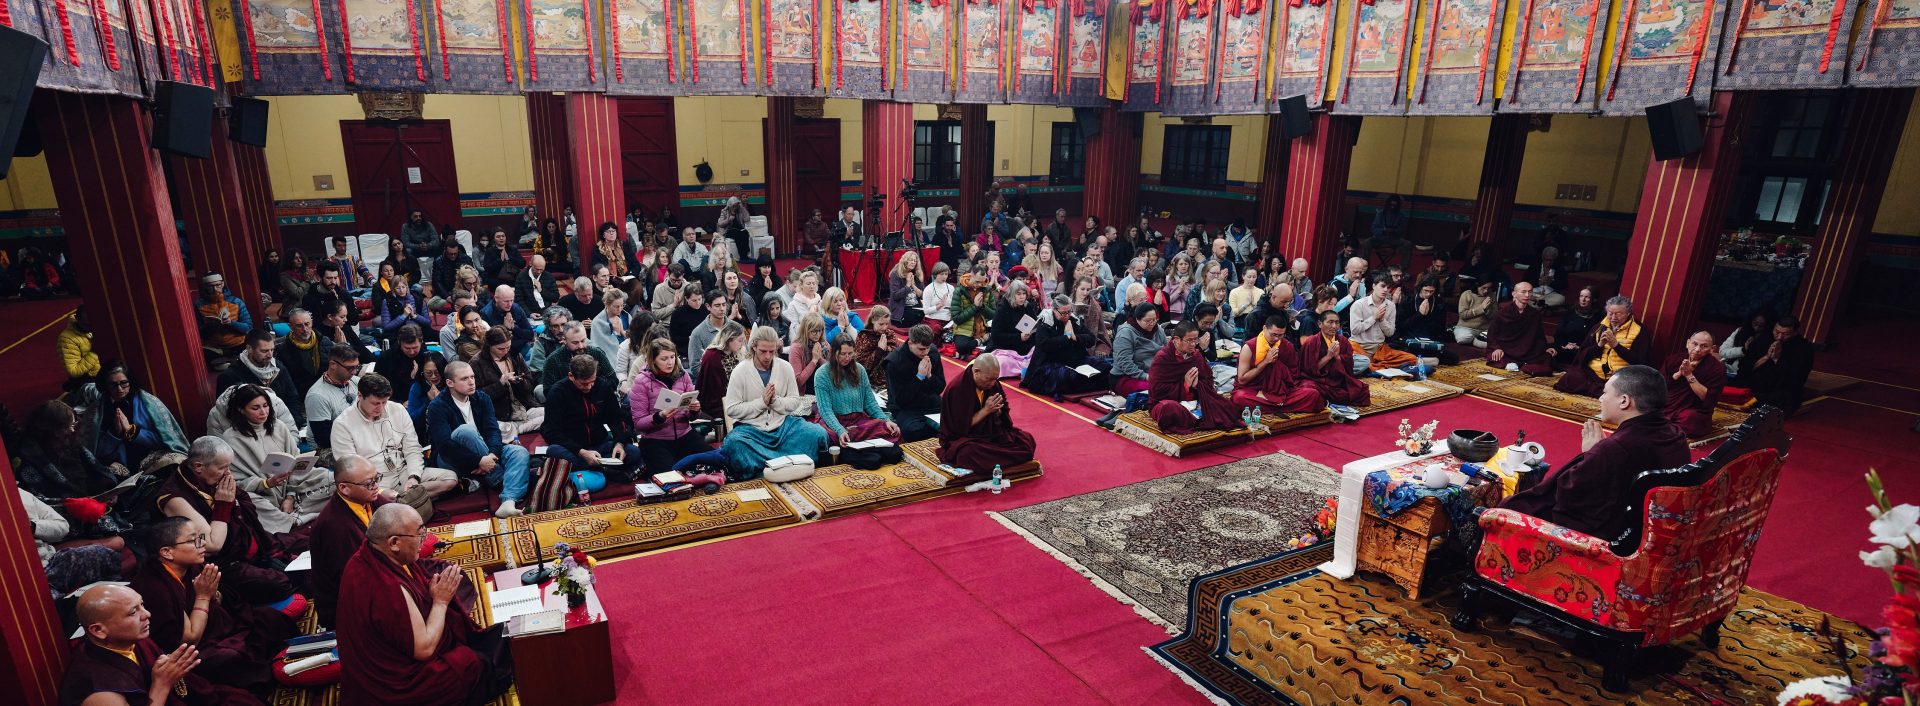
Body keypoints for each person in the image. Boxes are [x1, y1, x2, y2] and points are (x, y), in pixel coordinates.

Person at [337, 504, 514, 706]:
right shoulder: (386, 587)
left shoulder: (362, 557)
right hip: (393, 687)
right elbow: (425, 649)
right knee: (474, 664)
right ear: (394, 542)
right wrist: (440, 601)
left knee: (497, 635)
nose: (425, 540)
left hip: (374, 665)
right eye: (420, 534)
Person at [1501, 365, 1689, 540]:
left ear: (1624, 401)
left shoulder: (1613, 449)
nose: (1600, 398)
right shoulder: (1677, 435)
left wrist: (1590, 454)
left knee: (1509, 509)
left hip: (1614, 536)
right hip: (1651, 527)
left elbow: (1567, 497)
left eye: (1606, 392)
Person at [128, 516, 294, 695]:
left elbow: (224, 601)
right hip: (195, 650)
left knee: (269, 618)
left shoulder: (190, 566)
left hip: (218, 629)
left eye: (201, 538)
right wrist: (203, 596)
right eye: (194, 540)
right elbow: (189, 640)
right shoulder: (154, 587)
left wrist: (216, 594)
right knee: (226, 661)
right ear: (167, 552)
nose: (202, 545)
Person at [155, 437, 302, 609]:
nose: (228, 473)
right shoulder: (174, 497)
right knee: (280, 582)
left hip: (249, 546)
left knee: (306, 543)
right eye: (222, 468)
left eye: (229, 466)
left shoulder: (213, 479)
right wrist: (224, 505)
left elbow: (245, 508)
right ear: (198, 467)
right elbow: (212, 545)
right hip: (222, 565)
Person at [62, 583, 262, 706]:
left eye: (142, 605)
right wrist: (162, 684)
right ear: (98, 630)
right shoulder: (100, 691)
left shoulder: (126, 640)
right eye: (133, 613)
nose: (147, 614)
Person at [425, 362, 531, 518]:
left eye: (472, 377)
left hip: (486, 454)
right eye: (464, 378)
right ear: (450, 383)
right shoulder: (437, 406)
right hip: (452, 459)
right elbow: (445, 446)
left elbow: (492, 430)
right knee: (466, 431)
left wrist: (492, 455)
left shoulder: (482, 398)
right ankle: (498, 478)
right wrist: (478, 461)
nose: (471, 382)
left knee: (519, 452)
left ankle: (508, 501)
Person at [333, 374, 461, 501]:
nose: (381, 408)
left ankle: (401, 501)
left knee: (450, 479)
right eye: (375, 403)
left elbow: (412, 448)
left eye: (384, 402)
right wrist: (380, 491)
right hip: (373, 484)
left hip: (403, 472)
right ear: (360, 396)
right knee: (367, 495)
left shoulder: (397, 409)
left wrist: (414, 476)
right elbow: (349, 472)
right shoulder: (343, 424)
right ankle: (408, 500)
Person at [218, 386, 328, 534]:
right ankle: (291, 521)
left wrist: (290, 496)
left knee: (330, 477)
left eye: (265, 406)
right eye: (255, 408)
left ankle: (294, 510)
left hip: (293, 488)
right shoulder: (231, 439)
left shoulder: (279, 426)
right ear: (241, 409)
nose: (263, 412)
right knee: (247, 502)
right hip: (263, 495)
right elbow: (235, 482)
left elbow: (296, 463)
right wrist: (266, 483)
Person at [722, 326, 830, 473]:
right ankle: (781, 467)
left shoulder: (785, 367)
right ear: (753, 347)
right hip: (751, 430)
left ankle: (775, 465)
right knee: (733, 445)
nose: (767, 356)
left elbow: (794, 400)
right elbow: (731, 409)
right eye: (763, 351)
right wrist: (761, 403)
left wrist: (775, 402)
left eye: (772, 351)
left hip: (783, 426)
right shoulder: (740, 371)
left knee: (818, 434)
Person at [74, 363, 189, 468]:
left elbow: (163, 440)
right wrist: (115, 433)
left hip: (150, 455)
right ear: (105, 385)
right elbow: (96, 451)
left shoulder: (147, 403)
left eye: (124, 383)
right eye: (113, 385)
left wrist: (131, 431)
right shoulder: (98, 410)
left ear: (130, 382)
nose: (119, 389)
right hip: (119, 463)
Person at [938, 354, 1037, 471]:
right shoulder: (958, 389)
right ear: (976, 372)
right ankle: (1003, 459)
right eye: (989, 379)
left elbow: (1004, 418)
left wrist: (998, 410)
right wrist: (986, 410)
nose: (992, 383)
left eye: (995, 379)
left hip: (991, 434)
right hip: (967, 438)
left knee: (1027, 440)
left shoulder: (993, 383)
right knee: (967, 454)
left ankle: (994, 462)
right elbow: (958, 428)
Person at [1144, 321, 1242, 434]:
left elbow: (1208, 380)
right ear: (1176, 339)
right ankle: (1197, 420)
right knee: (1168, 409)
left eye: (1196, 340)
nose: (1193, 344)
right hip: (1168, 402)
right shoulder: (1163, 358)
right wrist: (1185, 385)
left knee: (1227, 406)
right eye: (1189, 340)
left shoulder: (1196, 355)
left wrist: (1197, 386)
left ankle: (1196, 419)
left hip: (1195, 401)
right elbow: (1157, 391)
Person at [812, 333, 901, 444]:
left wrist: (885, 420)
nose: (847, 357)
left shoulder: (860, 370)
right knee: (830, 437)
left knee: (887, 429)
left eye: (850, 353)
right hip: (834, 419)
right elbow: (826, 411)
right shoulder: (822, 374)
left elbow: (870, 402)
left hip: (857, 420)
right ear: (834, 352)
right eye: (843, 354)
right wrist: (840, 430)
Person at [1553, 293, 1648, 395]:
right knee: (1569, 379)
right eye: (1610, 313)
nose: (1613, 317)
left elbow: (1639, 361)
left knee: (1625, 390)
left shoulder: (1639, 331)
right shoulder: (1599, 327)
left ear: (1628, 313)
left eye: (1618, 314)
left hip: (1618, 375)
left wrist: (1616, 346)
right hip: (1593, 372)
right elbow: (1583, 355)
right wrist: (1599, 346)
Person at [1233, 315, 1326, 415]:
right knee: (1240, 397)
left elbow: (1294, 376)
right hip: (1255, 390)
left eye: (1281, 335)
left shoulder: (1287, 346)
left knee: (1313, 395)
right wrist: (1265, 362)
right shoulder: (1249, 347)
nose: (1277, 338)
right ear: (1264, 328)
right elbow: (1242, 379)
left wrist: (1280, 380)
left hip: (1282, 392)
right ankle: (1279, 406)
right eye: (1273, 334)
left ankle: (1272, 406)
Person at [217, 329, 308, 430]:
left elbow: (292, 397)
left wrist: (290, 424)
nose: (270, 355)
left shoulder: (279, 367)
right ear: (249, 348)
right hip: (253, 432)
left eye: (272, 350)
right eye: (264, 351)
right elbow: (230, 413)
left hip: (286, 426)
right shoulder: (230, 376)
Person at [1023, 294, 1104, 399]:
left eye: (1069, 312)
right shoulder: (1045, 322)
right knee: (1066, 376)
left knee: (1103, 366)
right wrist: (1067, 337)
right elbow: (1045, 344)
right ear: (1054, 310)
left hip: (1075, 361)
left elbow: (1091, 339)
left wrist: (1075, 337)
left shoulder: (1073, 320)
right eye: (1063, 313)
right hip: (1050, 364)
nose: (1067, 315)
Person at [473, 328, 543, 437]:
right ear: (489, 346)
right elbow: (475, 396)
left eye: (508, 347)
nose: (505, 351)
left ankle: (517, 429)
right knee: (494, 428)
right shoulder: (477, 363)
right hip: (500, 415)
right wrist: (500, 384)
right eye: (500, 349)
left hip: (524, 408)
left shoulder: (514, 355)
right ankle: (516, 428)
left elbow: (530, 383)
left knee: (553, 414)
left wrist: (520, 382)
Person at [881, 325, 945, 443]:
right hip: (907, 408)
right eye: (921, 349)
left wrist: (930, 376)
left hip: (931, 403)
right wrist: (919, 377)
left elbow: (940, 387)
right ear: (910, 343)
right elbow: (900, 399)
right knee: (912, 431)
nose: (925, 352)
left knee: (957, 420)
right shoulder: (895, 362)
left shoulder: (933, 352)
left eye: (927, 348)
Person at [1348, 275, 1423, 373]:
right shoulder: (1359, 304)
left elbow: (1390, 333)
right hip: (1359, 346)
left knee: (1411, 358)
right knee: (1363, 362)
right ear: (1374, 286)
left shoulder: (1391, 306)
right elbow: (1355, 330)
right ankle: (1374, 366)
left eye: (1388, 288)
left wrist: (1382, 320)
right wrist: (1374, 318)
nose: (1385, 290)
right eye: (1382, 286)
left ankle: (1374, 367)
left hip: (1379, 348)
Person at [1742, 315, 1816, 415]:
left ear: (1795, 333)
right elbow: (1745, 367)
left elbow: (1795, 379)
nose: (1780, 337)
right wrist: (1767, 357)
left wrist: (1776, 359)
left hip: (1779, 390)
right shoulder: (1764, 338)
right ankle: (1750, 403)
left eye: (1786, 334)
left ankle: (1752, 405)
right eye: (1777, 332)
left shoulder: (1803, 349)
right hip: (1755, 385)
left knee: (1782, 398)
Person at [1298, 310, 1371, 409]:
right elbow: (1308, 371)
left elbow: (1349, 368)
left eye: (1337, 323)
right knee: (1309, 390)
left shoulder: (1343, 341)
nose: (1334, 326)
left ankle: (1325, 400)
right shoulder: (1311, 342)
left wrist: (1338, 357)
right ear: (1320, 324)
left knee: (1362, 391)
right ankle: (1323, 400)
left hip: (1337, 380)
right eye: (1330, 322)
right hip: (1316, 381)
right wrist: (1328, 356)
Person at [1662, 331, 1727, 438]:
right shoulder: (1673, 359)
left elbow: (1707, 397)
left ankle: (1661, 425)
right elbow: (1660, 386)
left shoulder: (1717, 369)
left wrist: (1688, 375)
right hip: (1668, 404)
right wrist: (1678, 374)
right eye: (1694, 344)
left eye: (1704, 346)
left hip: (1694, 409)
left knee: (1690, 419)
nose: (1697, 349)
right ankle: (1665, 425)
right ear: (1687, 343)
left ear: (1712, 349)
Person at [1485, 282, 1554, 375]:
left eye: (1530, 292)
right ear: (1514, 293)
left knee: (1547, 356)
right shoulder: (1503, 312)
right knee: (1496, 356)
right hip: (1506, 349)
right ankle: (1523, 364)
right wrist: (1496, 348)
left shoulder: (1534, 313)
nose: (1527, 295)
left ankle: (1520, 364)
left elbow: (1539, 335)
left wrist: (1545, 348)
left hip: (1527, 350)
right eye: (1523, 292)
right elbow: (1492, 333)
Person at [304, 345, 361, 447]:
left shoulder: (356, 382)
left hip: (353, 437)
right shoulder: (317, 396)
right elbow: (324, 440)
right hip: (327, 447)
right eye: (350, 368)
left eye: (356, 367)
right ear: (333, 364)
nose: (354, 372)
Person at [193, 274, 252, 356]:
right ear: (205, 287)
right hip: (214, 349)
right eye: (210, 286)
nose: (215, 289)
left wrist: (231, 323)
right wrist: (212, 325)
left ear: (222, 284)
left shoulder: (236, 302)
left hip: (239, 345)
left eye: (217, 285)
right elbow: (199, 333)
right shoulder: (199, 305)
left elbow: (248, 327)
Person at [949, 265, 1000, 359]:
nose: (980, 285)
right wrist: (974, 306)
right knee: (962, 347)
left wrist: (982, 307)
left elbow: (994, 314)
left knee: (1000, 342)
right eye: (977, 281)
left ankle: (983, 340)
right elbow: (956, 318)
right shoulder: (959, 291)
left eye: (982, 282)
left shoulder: (987, 290)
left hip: (983, 328)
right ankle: (981, 341)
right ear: (970, 276)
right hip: (964, 329)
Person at [696, 323, 746, 418]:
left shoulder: (736, 353)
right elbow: (710, 388)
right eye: (740, 340)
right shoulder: (712, 356)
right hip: (717, 403)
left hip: (735, 397)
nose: (742, 344)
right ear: (729, 339)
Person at [373, 265, 432, 338]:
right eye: (398, 288)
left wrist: (414, 316)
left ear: (407, 287)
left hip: (419, 331)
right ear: (393, 289)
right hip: (399, 333)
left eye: (403, 287)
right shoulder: (387, 301)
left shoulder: (418, 298)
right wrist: (403, 316)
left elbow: (428, 322)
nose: (401, 290)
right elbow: (387, 326)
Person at [1552, 287, 1603, 366]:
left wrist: (1579, 347)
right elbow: (1559, 332)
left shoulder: (1598, 317)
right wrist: (1565, 344)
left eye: (1587, 297)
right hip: (1565, 347)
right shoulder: (1570, 312)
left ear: (1593, 299)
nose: (1583, 299)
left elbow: (1594, 339)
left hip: (1582, 350)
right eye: (1581, 296)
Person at [1721, 309, 1776, 383]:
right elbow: (1722, 352)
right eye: (1755, 323)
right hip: (1728, 369)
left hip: (1749, 374)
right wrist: (1743, 350)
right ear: (1751, 320)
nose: (1757, 327)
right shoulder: (1740, 331)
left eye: (1761, 325)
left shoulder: (1770, 338)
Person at [480, 285, 535, 357]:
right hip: (502, 354)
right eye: (506, 301)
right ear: (496, 298)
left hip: (523, 348)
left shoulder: (516, 308)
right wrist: (504, 328)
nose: (509, 304)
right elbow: (489, 343)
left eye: (512, 300)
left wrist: (514, 328)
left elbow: (530, 335)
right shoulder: (486, 313)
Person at [590, 288, 633, 364]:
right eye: (616, 306)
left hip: (628, 355)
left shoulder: (626, 316)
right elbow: (598, 347)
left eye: (622, 305)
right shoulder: (597, 322)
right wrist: (615, 334)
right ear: (607, 304)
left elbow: (634, 339)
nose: (620, 309)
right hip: (609, 360)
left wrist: (622, 332)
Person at [669, 283, 710, 358]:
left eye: (699, 299)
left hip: (706, 347)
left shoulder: (706, 309)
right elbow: (674, 337)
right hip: (686, 350)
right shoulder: (678, 314)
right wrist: (690, 338)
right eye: (694, 300)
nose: (698, 303)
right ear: (686, 299)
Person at [1453, 280, 1495, 348]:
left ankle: (1476, 340)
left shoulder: (1491, 295)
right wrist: (1481, 308)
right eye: (1484, 288)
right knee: (1462, 339)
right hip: (1466, 328)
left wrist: (1487, 310)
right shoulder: (1467, 294)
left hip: (1484, 330)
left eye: (1489, 288)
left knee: (1494, 343)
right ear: (1477, 285)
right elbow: (1463, 315)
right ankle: (1476, 340)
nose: (1486, 291)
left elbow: (1494, 316)